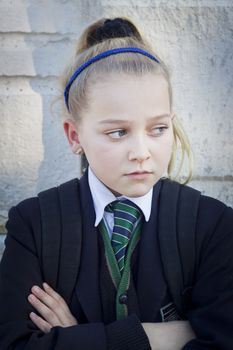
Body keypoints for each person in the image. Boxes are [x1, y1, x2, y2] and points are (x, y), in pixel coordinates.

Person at [0, 17, 232, 350]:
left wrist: (76, 337)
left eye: (158, 129)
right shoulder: (33, 225)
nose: (141, 152)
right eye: (118, 132)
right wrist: (155, 336)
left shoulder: (213, 225)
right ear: (74, 135)